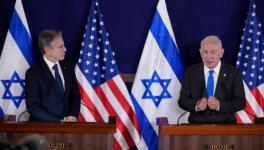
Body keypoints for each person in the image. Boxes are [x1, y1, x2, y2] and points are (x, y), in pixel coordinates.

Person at [178, 35, 246, 124]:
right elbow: (182, 101)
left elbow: (240, 102)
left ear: (221, 53)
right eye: (205, 52)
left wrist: (219, 105)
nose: (209, 56)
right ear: (200, 53)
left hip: (226, 127)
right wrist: (197, 105)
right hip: (196, 127)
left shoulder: (233, 73)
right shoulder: (191, 72)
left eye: (213, 52)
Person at [25, 29, 80, 122]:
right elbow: (33, 107)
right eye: (61, 47)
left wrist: (73, 115)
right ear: (48, 50)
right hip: (43, 130)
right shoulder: (33, 73)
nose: (65, 49)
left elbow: (75, 95)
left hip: (69, 129)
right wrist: (58, 121)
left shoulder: (68, 67)